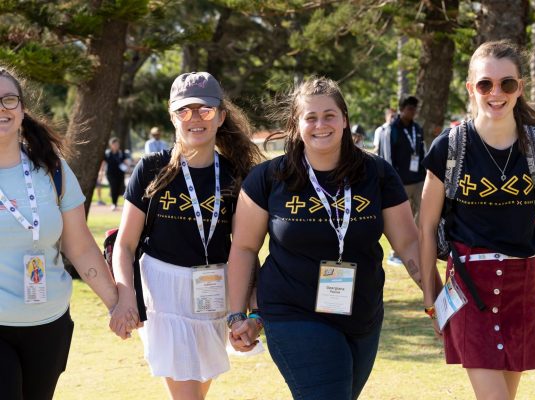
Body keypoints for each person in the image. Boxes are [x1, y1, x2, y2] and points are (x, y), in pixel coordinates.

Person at [227, 77, 422, 400]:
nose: (321, 124)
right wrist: (238, 315)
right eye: (311, 117)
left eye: (329, 115)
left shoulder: (378, 174)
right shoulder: (268, 178)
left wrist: (436, 302)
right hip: (292, 313)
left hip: (362, 315)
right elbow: (245, 248)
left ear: (344, 120)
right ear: (296, 124)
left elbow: (409, 244)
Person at [419, 40, 535, 400]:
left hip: (521, 281)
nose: (496, 93)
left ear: (519, 88)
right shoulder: (449, 146)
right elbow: (426, 228)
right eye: (485, 84)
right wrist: (430, 296)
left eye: (506, 84)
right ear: (471, 88)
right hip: (467, 285)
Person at [109, 71, 262, 400]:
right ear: (172, 116)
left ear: (220, 117)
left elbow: (245, 249)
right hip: (163, 292)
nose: (195, 118)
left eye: (204, 110)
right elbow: (125, 244)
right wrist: (124, 298)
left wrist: (251, 309)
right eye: (184, 110)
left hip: (215, 293)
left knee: (197, 389)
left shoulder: (235, 175)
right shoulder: (151, 168)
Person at [0, 67, 119, 400]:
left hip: (49, 323)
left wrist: (116, 304)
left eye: (9, 99)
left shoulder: (52, 170)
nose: (2, 108)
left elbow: (79, 247)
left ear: (22, 109)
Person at [386, 96, 426, 266]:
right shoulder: (392, 129)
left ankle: (416, 242)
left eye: (415, 109)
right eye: (410, 109)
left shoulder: (417, 128)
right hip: (401, 180)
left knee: (425, 210)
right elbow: (388, 154)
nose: (413, 112)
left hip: (418, 178)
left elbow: (421, 150)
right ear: (402, 109)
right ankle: (397, 251)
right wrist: (391, 178)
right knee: (402, 218)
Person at [101, 137, 131, 211]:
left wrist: (129, 168)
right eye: (114, 144)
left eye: (117, 144)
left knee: (118, 188)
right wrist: (101, 172)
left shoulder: (121, 153)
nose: (116, 146)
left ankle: (116, 203)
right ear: (111, 145)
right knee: (113, 187)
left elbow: (126, 162)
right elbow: (103, 163)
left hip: (120, 174)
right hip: (110, 174)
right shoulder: (107, 153)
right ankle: (114, 204)